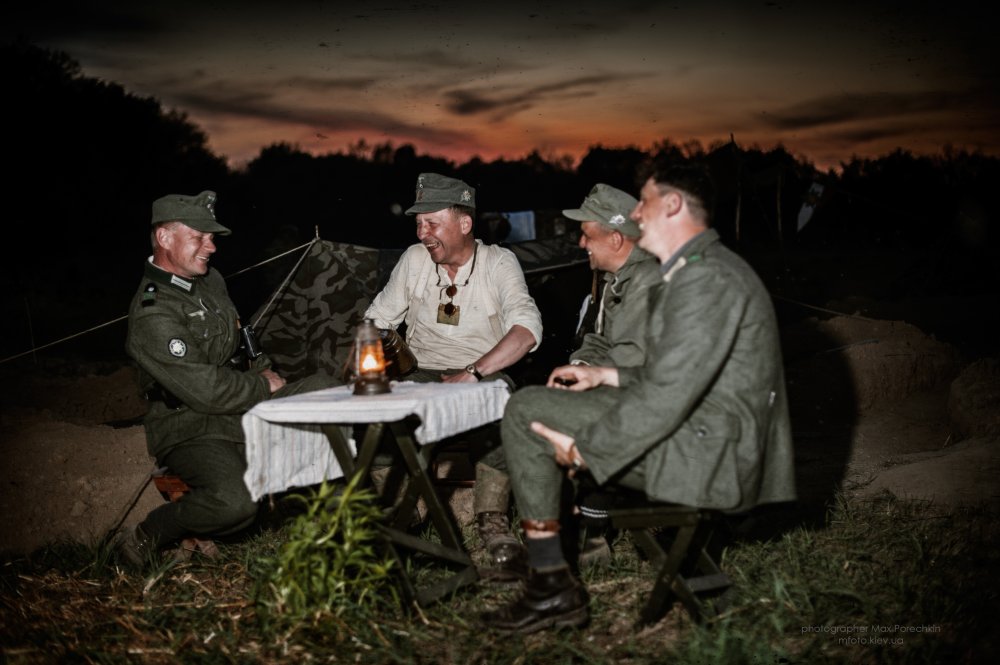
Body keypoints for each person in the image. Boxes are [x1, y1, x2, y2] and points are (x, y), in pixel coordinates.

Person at [482, 161, 796, 633]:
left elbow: (671, 392)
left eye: (643, 202)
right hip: (710, 435)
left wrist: (587, 450)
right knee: (531, 407)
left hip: (713, 456)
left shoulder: (702, 279)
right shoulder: (699, 269)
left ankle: (551, 586)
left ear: (672, 205)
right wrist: (606, 374)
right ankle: (551, 579)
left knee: (527, 411)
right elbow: (680, 373)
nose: (635, 214)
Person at [119, 190, 328, 569]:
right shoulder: (153, 311)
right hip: (191, 425)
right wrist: (263, 386)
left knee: (326, 389)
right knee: (236, 505)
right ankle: (152, 531)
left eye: (212, 237)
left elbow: (242, 341)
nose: (211, 247)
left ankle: (371, 490)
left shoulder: (210, 280)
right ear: (164, 238)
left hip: (240, 405)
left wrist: (264, 368)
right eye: (199, 237)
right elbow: (205, 391)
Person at [478, 183, 663, 575]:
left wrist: (590, 381)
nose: (580, 244)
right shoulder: (617, 279)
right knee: (539, 409)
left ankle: (560, 549)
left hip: (649, 408)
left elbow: (637, 363)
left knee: (530, 416)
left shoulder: (648, 281)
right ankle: (578, 533)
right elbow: (598, 339)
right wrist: (579, 367)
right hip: (626, 395)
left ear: (616, 238)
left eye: (587, 235)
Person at [364, 173, 543, 568]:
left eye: (431, 223)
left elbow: (526, 331)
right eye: (418, 223)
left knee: (501, 404)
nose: (422, 233)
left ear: (464, 223)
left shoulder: (499, 262)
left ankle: (491, 520)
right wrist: (385, 358)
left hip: (482, 373)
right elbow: (375, 320)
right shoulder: (414, 260)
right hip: (421, 373)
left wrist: (473, 372)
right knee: (373, 412)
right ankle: (402, 516)